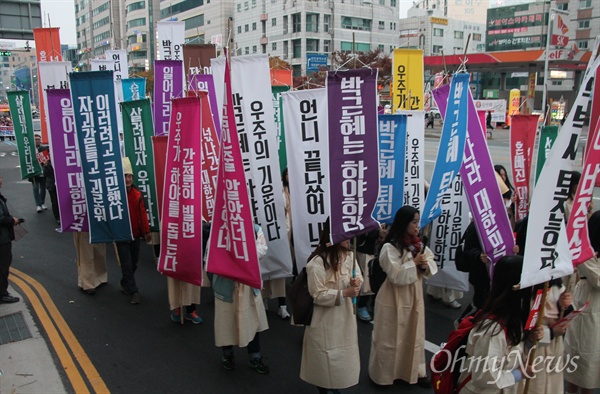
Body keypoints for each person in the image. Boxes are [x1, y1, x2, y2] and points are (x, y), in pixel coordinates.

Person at [368, 206, 438, 387]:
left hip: (414, 296)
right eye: (413, 222)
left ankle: (415, 371)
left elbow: (430, 266)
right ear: (403, 223)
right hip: (393, 297)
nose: (417, 226)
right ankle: (383, 375)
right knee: (389, 337)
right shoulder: (389, 248)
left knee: (413, 335)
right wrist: (414, 263)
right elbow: (396, 276)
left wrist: (423, 266)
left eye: (417, 221)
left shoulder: (419, 245)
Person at [300, 219, 362, 393]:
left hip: (344, 319)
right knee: (323, 357)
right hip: (324, 321)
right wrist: (344, 293)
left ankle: (335, 386)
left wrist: (356, 282)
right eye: (345, 234)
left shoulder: (349, 255)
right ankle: (325, 389)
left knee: (342, 358)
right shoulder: (317, 262)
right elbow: (318, 294)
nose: (349, 238)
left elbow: (358, 277)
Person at [457, 255, 534, 393]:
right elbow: (484, 376)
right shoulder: (492, 330)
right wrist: (518, 374)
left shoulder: (513, 319)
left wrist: (530, 341)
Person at [214, 224, 270, 374]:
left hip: (249, 284)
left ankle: (255, 357)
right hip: (225, 286)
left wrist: (241, 254)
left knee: (252, 321)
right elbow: (210, 256)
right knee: (226, 323)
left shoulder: (255, 228)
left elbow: (263, 249)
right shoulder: (218, 229)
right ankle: (227, 355)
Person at [564, 210, 600, 393]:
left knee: (592, 364)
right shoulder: (586, 253)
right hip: (588, 303)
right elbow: (598, 279)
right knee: (583, 358)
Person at [116, 158, 151, 305]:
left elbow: (143, 214)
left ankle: (125, 282)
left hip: (135, 234)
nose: (128, 179)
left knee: (134, 262)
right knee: (127, 265)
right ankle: (134, 291)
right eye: (125, 176)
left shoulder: (137, 194)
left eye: (130, 176)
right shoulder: (116, 195)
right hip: (122, 235)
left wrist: (147, 232)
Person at [0, 175, 23, 303]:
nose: (1, 180)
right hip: (2, 239)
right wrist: (12, 220)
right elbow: (1, 219)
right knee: (3, 266)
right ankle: (2, 294)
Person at [30, 134, 47, 213]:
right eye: (35, 139)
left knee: (43, 188)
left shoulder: (43, 149)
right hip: (34, 173)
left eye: (38, 139)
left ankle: (42, 203)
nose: (37, 140)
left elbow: (46, 161)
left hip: (43, 171)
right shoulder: (30, 150)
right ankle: (38, 205)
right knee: (36, 188)